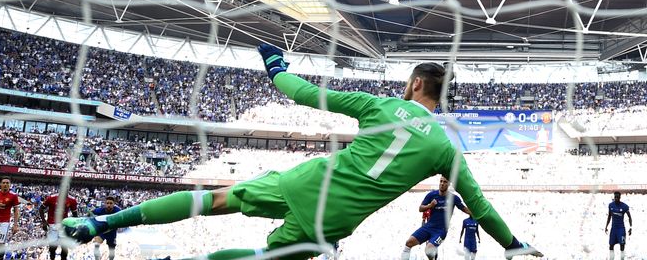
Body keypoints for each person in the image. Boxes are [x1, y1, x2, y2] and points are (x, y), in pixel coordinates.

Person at [62, 44, 542, 259]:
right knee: (257, 257)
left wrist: (275, 67)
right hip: (332, 221)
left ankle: (104, 222)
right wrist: (515, 246)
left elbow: (302, 93)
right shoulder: (446, 147)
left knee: (216, 199)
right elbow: (480, 205)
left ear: (415, 83)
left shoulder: (380, 104)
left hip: (310, 179)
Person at [404, 176, 471, 259]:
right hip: (428, 227)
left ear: (449, 184)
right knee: (408, 243)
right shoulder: (431, 195)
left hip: (441, 231)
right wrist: (430, 205)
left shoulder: (454, 198)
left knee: (428, 250)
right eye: (441, 181)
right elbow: (420, 208)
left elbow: (465, 209)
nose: (442, 184)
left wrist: (477, 214)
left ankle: (433, 256)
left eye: (445, 182)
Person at [39, 192, 78, 260]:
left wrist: (75, 225)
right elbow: (41, 208)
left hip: (64, 224)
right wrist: (44, 221)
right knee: (53, 248)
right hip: (52, 225)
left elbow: (75, 214)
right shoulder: (51, 198)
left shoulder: (72, 200)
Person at [605, 191, 632, 260]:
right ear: (614, 197)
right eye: (615, 197)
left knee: (622, 245)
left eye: (618, 197)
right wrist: (606, 226)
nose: (616, 198)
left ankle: (622, 259)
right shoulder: (611, 205)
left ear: (620, 197)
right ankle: (611, 258)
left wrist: (630, 227)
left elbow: (629, 217)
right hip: (613, 229)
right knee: (611, 245)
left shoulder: (624, 206)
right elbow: (609, 216)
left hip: (621, 229)